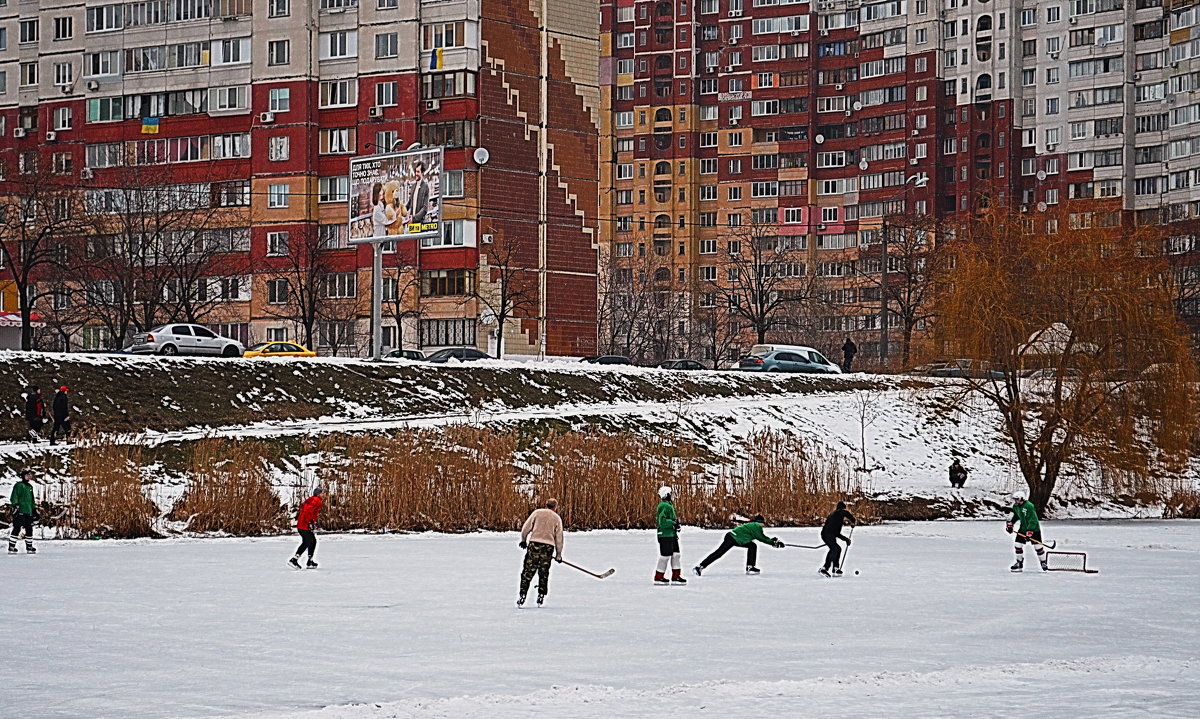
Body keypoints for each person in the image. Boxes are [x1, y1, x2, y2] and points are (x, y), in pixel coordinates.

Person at [693, 514, 783, 576]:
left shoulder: (752, 525)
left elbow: (761, 537)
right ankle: (700, 567)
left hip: (736, 538)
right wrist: (773, 543)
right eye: (763, 524)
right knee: (719, 553)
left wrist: (773, 541)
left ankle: (750, 567)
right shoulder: (756, 525)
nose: (763, 526)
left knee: (752, 546)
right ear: (760, 522)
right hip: (732, 538)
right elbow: (761, 538)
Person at [518, 498, 564, 606]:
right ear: (555, 507)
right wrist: (558, 554)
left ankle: (522, 594)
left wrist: (523, 540)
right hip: (548, 547)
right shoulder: (556, 518)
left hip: (534, 544)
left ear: (546, 504)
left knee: (528, 571)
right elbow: (559, 538)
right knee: (543, 572)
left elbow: (525, 528)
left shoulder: (537, 513)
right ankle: (541, 595)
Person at [1007, 490, 1047, 572]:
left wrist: (1030, 531)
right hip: (1023, 529)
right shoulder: (1016, 506)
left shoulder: (1029, 506)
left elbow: (1033, 519)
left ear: (1022, 499)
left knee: (1038, 547)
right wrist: (1011, 524)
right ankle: (1019, 563)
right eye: (1015, 499)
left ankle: (1043, 562)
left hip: (1034, 529)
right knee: (1017, 545)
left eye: (1017, 499)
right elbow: (1015, 516)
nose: (1015, 501)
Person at [654, 485, 685, 585]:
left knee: (676, 555)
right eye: (671, 494)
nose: (672, 496)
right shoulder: (664, 506)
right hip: (665, 535)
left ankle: (676, 576)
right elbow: (662, 521)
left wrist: (676, 526)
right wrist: (672, 523)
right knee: (665, 556)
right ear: (666, 495)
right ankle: (658, 577)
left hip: (671, 534)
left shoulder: (668, 505)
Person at [819, 501, 857, 577]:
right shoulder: (838, 513)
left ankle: (835, 568)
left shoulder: (835, 516)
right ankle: (824, 568)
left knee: (838, 549)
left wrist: (846, 539)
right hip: (827, 534)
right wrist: (853, 521)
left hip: (827, 534)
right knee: (834, 549)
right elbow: (847, 514)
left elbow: (836, 533)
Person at [290, 487, 324, 569]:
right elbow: (308, 511)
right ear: (318, 494)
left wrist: (312, 522)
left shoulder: (311, 499)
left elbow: (309, 511)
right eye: (322, 493)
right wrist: (310, 522)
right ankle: (294, 559)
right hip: (304, 524)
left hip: (303, 524)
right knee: (308, 541)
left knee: (312, 541)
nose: (323, 494)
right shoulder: (316, 500)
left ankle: (310, 561)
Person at [9, 468, 37, 554]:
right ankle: (11, 547)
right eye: (27, 475)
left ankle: (29, 547)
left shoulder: (30, 487)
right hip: (20, 511)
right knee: (17, 528)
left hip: (28, 511)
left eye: (30, 476)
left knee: (29, 528)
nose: (29, 477)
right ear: (23, 476)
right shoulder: (19, 485)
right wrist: (15, 505)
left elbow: (32, 500)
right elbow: (14, 496)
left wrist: (34, 509)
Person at [408, 161, 432, 226]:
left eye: (418, 172)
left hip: (420, 223)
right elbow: (409, 203)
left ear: (422, 173)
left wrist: (414, 218)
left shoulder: (425, 187)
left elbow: (425, 208)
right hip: (411, 223)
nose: (416, 173)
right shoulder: (413, 186)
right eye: (416, 171)